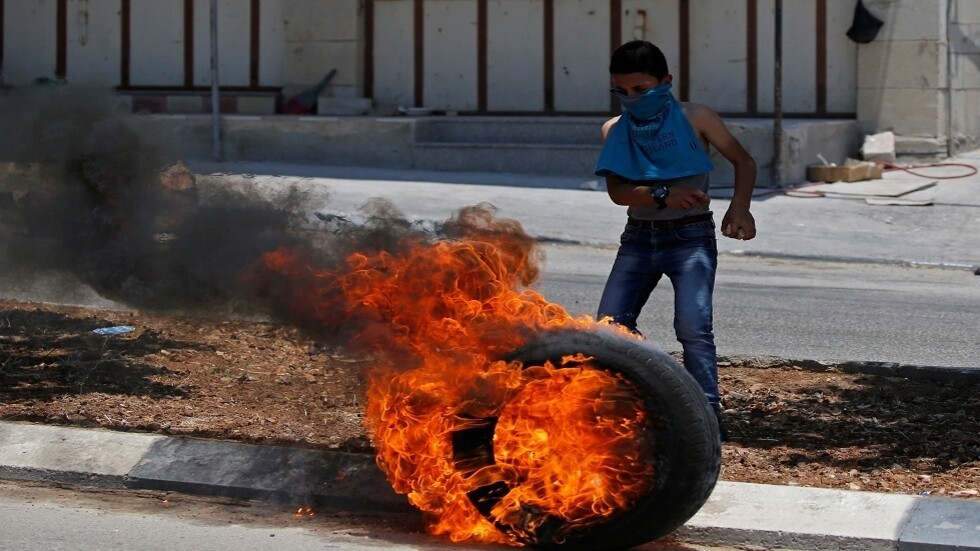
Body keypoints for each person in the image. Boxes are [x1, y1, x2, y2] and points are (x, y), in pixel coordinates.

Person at [594, 40, 757, 439]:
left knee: (694, 327)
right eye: (622, 91)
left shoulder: (696, 116)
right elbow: (619, 193)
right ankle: (635, 400)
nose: (632, 99)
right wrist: (663, 194)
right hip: (638, 238)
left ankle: (706, 417)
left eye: (642, 89)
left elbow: (744, 161)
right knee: (609, 327)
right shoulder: (615, 130)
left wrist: (740, 207)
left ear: (665, 81)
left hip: (690, 237)